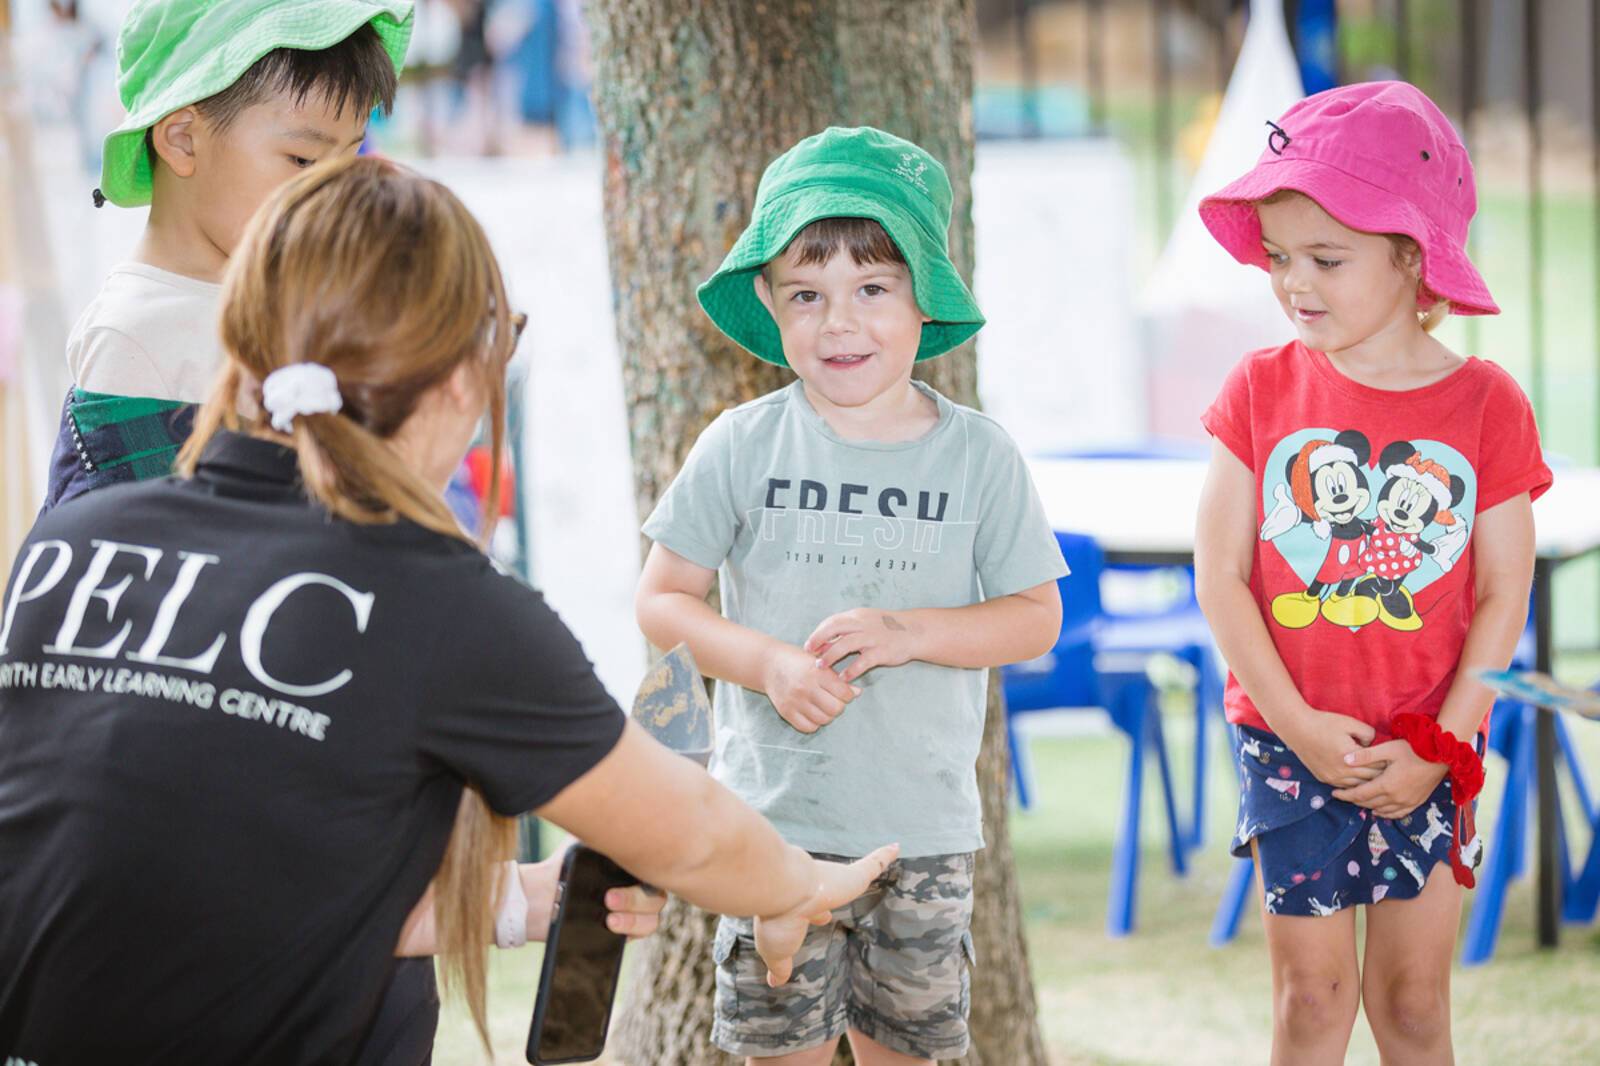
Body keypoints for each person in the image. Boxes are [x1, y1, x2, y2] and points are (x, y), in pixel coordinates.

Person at [0, 156, 896, 1066]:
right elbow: (693, 834)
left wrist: (527, 901)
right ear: (465, 374)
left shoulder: (75, 541)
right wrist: (792, 886)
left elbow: (194, 886)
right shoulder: (434, 598)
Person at [635, 126, 1067, 1066]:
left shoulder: (979, 455)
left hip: (922, 832)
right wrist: (768, 663)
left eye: (872, 289)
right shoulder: (742, 445)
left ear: (924, 300)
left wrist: (910, 631)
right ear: (769, 303)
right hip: (770, 830)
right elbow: (662, 600)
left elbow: (1037, 617)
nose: (839, 322)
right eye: (807, 294)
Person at [1193, 81, 1552, 1065]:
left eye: (1324, 258)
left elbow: (1500, 593)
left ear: (1411, 256)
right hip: (1284, 740)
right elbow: (1219, 576)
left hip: (1428, 749)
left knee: (1411, 1004)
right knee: (1310, 999)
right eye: (1277, 258)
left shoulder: (1486, 404)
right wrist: (1300, 728)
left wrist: (1444, 741)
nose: (1292, 283)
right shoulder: (1259, 388)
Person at [43, 0, 413, 511]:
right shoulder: (133, 335)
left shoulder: (284, 296)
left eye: (349, 159)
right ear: (182, 140)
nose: (332, 193)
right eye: (303, 159)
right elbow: (129, 554)